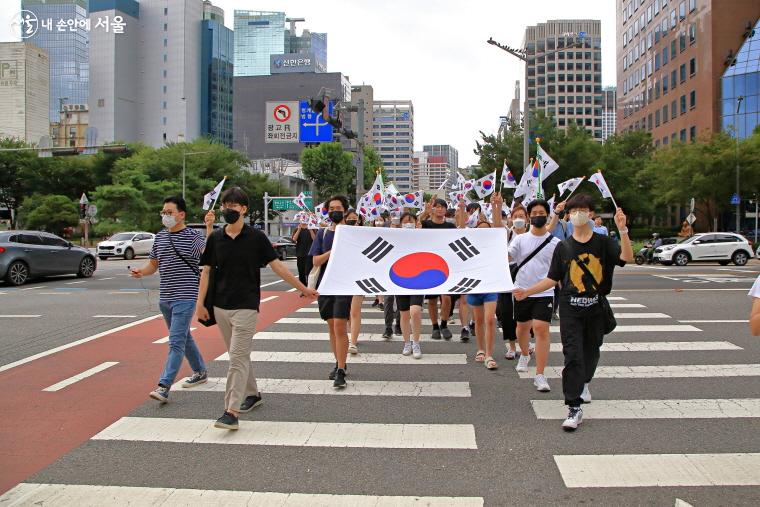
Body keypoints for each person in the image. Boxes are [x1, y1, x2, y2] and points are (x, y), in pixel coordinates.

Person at [197, 187, 317, 430]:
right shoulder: (216, 239)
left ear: (243, 209)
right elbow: (206, 271)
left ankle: (231, 410)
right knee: (237, 356)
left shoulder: (256, 237)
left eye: (234, 206)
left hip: (246, 305)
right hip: (220, 305)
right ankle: (253, 394)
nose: (228, 210)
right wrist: (200, 304)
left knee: (237, 357)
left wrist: (302, 287)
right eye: (225, 205)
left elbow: (278, 267)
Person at [514, 193, 633, 432]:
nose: (578, 213)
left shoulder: (603, 243)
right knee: (573, 357)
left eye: (584, 209)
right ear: (568, 215)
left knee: (591, 354)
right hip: (570, 309)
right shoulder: (563, 247)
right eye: (574, 210)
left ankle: (584, 381)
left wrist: (623, 231)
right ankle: (573, 407)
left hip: (596, 308)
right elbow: (551, 279)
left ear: (591, 214)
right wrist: (527, 292)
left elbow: (626, 258)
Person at [132, 196, 211, 404]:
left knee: (175, 341)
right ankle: (200, 371)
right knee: (184, 337)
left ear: (181, 214)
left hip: (185, 296)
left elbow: (209, 256)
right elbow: (153, 265)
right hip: (165, 297)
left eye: (169, 212)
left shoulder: (193, 236)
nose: (165, 216)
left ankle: (164, 386)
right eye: (163, 212)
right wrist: (142, 271)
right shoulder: (160, 238)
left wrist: (209, 228)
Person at [509, 199, 559, 392]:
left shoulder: (555, 243)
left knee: (540, 329)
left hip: (544, 292)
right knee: (521, 329)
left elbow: (558, 269)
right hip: (521, 291)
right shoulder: (520, 239)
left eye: (542, 213)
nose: (538, 216)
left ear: (547, 216)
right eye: (535, 213)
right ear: (529, 217)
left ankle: (540, 374)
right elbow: (508, 257)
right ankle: (524, 353)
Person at [310, 195, 353, 388]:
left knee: (339, 326)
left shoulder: (352, 232)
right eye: (331, 208)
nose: (335, 211)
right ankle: (338, 363)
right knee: (331, 327)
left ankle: (342, 370)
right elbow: (315, 261)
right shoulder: (323, 234)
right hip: (325, 285)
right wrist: (333, 251)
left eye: (338, 208)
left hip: (344, 285)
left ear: (345, 210)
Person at [418, 197, 462, 340]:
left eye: (443, 207)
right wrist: (425, 213)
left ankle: (444, 323)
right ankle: (435, 326)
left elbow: (459, 237)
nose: (440, 209)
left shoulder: (450, 227)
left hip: (446, 266)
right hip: (428, 265)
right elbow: (414, 226)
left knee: (447, 298)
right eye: (437, 206)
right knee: (431, 299)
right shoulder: (426, 224)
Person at [395, 212, 424, 358]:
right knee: (404, 314)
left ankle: (416, 342)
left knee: (415, 312)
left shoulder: (421, 237)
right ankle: (407, 342)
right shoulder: (396, 238)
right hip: (400, 279)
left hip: (418, 279)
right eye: (405, 221)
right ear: (400, 224)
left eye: (410, 221)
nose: (408, 223)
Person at [345, 210, 367, 355]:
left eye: (355, 218)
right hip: (344, 277)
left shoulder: (364, 235)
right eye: (350, 218)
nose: (353, 221)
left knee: (355, 310)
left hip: (360, 277)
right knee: (346, 312)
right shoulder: (341, 235)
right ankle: (352, 333)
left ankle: (352, 341)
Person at [292, 221, 316, 295]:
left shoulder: (312, 229)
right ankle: (304, 290)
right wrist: (299, 229)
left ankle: (310, 288)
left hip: (310, 254)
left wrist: (310, 229)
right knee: (301, 273)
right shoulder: (297, 229)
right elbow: (294, 239)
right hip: (300, 254)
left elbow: (315, 239)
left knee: (309, 272)